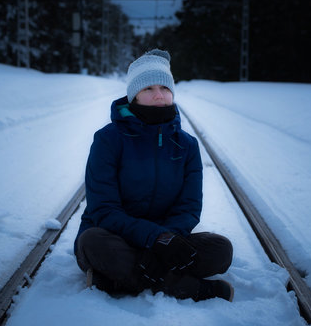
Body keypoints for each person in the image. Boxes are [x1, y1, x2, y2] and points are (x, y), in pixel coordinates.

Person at [74, 49, 234, 302]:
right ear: (134, 95)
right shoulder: (108, 140)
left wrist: (167, 239)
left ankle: (118, 280)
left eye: (164, 87)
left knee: (221, 250)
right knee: (92, 242)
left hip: (168, 237)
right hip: (114, 237)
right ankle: (190, 288)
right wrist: (156, 239)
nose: (159, 94)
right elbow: (104, 210)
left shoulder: (187, 145)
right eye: (148, 88)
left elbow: (189, 208)